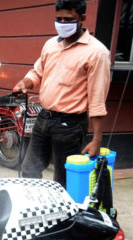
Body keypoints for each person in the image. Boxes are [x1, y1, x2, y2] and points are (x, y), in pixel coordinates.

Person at [13, 0, 111, 187]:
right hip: (44, 118)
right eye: (59, 19)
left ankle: (63, 215)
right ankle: (35, 208)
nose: (63, 24)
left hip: (70, 125)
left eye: (69, 19)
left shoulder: (97, 53)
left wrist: (97, 139)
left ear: (82, 18)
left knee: (64, 178)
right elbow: (37, 72)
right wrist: (25, 82)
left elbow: (98, 99)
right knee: (29, 170)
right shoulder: (50, 45)